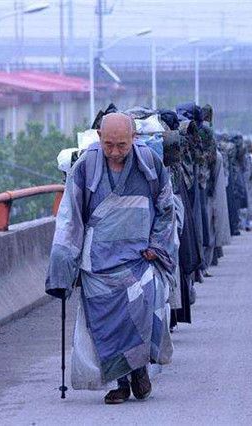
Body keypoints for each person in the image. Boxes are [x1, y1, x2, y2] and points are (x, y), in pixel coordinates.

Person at [45, 113, 175, 404]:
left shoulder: (150, 165)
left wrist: (156, 245)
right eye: (108, 145)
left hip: (139, 258)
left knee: (140, 316)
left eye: (121, 145)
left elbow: (166, 207)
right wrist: (63, 261)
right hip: (98, 262)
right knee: (106, 325)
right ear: (99, 138)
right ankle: (120, 383)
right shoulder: (86, 167)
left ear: (134, 139)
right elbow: (70, 217)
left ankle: (139, 370)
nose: (115, 152)